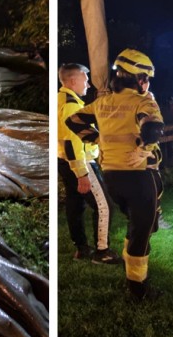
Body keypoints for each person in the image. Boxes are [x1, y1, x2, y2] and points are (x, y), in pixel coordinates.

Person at [66, 48, 165, 301]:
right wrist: (144, 148)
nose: (148, 83)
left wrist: (98, 138)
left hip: (112, 178)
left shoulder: (102, 102)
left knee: (136, 225)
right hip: (139, 178)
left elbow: (74, 121)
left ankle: (130, 266)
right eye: (147, 78)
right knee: (141, 234)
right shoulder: (143, 101)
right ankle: (138, 289)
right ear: (139, 78)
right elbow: (154, 128)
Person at [57, 63, 122, 264]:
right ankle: (102, 251)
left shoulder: (60, 99)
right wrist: (81, 173)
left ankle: (81, 248)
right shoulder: (71, 105)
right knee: (104, 206)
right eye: (85, 79)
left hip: (64, 161)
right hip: (81, 162)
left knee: (75, 204)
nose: (88, 83)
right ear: (73, 80)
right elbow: (72, 141)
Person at [140, 80, 171, 230]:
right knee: (152, 188)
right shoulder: (139, 102)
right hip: (145, 151)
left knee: (155, 187)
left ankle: (154, 219)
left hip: (151, 150)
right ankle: (153, 220)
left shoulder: (148, 98)